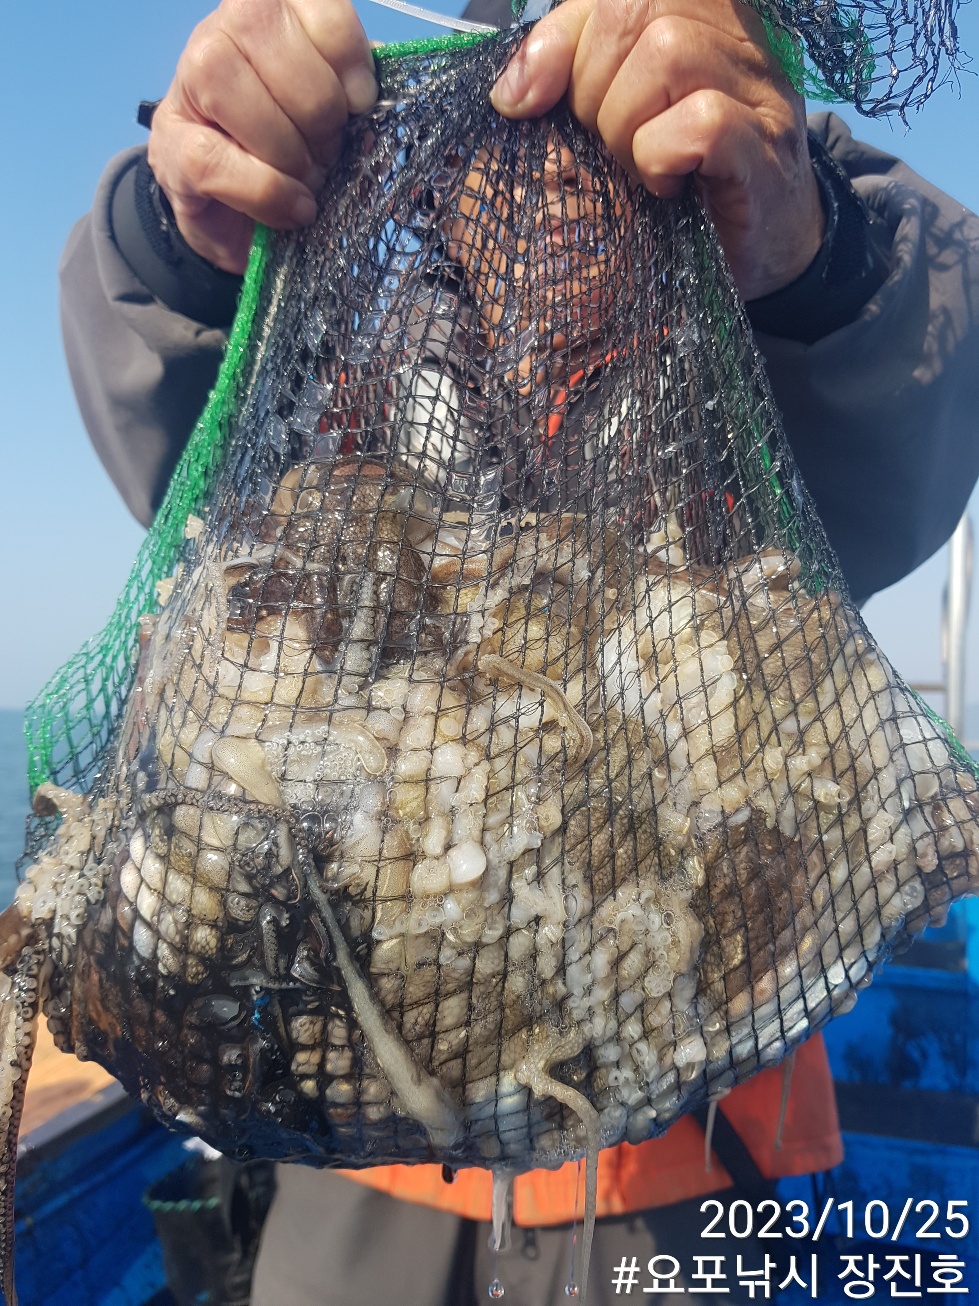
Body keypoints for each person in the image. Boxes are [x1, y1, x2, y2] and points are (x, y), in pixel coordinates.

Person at [59, 0, 979, 1301]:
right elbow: (183, 477)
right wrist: (179, 241)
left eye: (585, 144)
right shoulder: (350, 340)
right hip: (359, 1163)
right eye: (510, 149)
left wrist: (814, 252)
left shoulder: (759, 254)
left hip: (697, 1159)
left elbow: (931, 378)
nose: (551, 187)